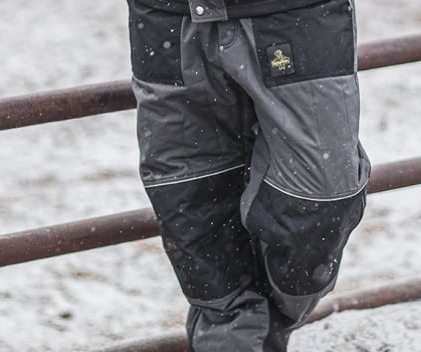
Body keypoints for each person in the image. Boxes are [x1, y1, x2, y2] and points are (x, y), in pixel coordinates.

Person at [127, 0, 370, 350]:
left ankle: (260, 323)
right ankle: (233, 336)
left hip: (294, 14)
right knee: (191, 199)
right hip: (168, 15)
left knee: (321, 201)